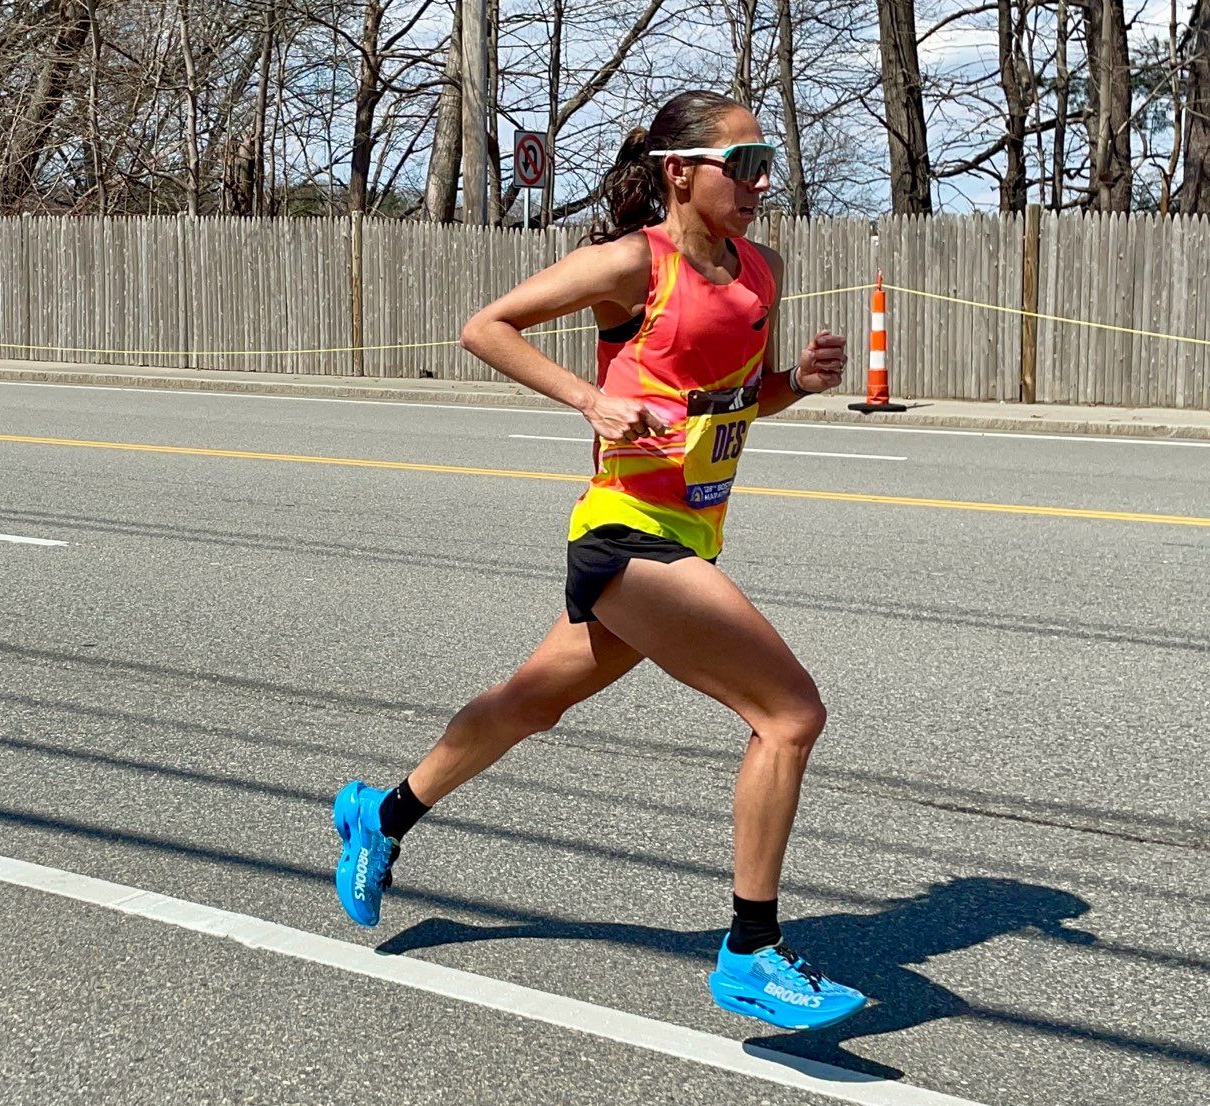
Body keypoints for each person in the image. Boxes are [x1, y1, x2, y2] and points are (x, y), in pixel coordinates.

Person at [330, 89, 866, 1032]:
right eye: (740, 164)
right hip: (625, 533)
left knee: (525, 704)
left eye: (764, 161)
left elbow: (733, 403)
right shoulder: (629, 265)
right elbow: (485, 326)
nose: (759, 182)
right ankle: (751, 950)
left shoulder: (762, 273)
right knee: (789, 712)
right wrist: (590, 399)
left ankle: (381, 814)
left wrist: (795, 382)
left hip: (692, 530)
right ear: (680, 172)